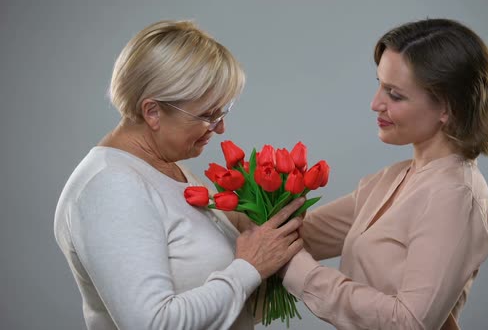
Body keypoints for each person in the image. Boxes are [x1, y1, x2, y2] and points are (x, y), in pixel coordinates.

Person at [54, 20, 304, 330]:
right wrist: (249, 268)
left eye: (222, 113)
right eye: (207, 116)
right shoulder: (111, 186)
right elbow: (154, 323)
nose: (220, 129)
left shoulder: (168, 167)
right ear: (153, 112)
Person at [281, 18, 488, 330]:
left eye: (395, 94)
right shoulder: (394, 178)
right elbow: (302, 235)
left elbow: (409, 322)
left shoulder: (454, 196)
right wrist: (231, 207)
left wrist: (294, 269)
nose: (375, 103)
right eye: (379, 85)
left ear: (447, 108)